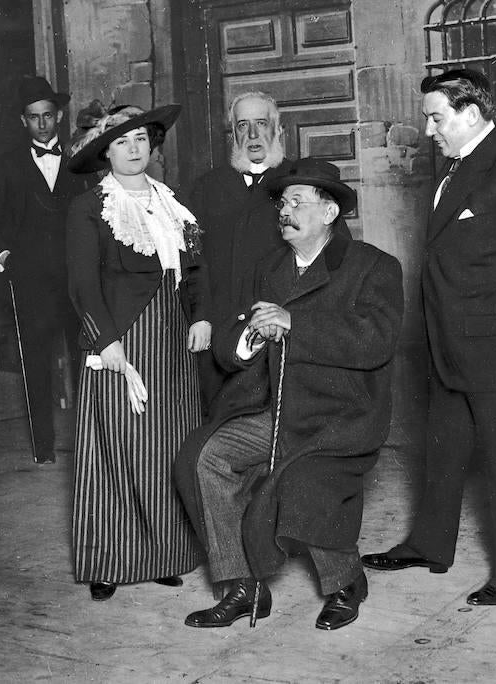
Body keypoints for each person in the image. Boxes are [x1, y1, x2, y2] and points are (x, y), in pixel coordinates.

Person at [362, 68, 496, 607]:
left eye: (436, 117)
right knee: (444, 447)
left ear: (472, 114)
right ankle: (431, 545)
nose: (429, 128)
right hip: (450, 342)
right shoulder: (457, 168)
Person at [175, 158, 403, 631]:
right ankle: (242, 587)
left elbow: (375, 341)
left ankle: (345, 584)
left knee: (305, 478)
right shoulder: (272, 267)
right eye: (282, 201)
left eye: (298, 202)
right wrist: (252, 338)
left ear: (330, 212)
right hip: (277, 409)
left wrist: (294, 324)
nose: (286, 210)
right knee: (206, 457)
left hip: (340, 416)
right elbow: (238, 339)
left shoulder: (373, 266)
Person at [66, 103, 212, 601]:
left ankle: (163, 553)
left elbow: (195, 271)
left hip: (171, 338)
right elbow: (83, 283)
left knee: (166, 448)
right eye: (122, 142)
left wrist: (204, 316)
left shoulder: (172, 202)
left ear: (153, 147)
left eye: (141, 141)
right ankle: (110, 560)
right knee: (115, 447)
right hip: (121, 340)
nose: (134, 150)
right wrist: (104, 341)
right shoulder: (91, 206)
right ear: (105, 151)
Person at [190, 91, 350, 413]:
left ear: (278, 131)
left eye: (261, 123)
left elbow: (335, 255)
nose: (252, 135)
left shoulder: (302, 183)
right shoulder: (207, 187)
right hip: (222, 329)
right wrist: (202, 315)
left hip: (279, 326)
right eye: (242, 125)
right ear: (232, 134)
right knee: (218, 420)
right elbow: (195, 259)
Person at [0, 75, 94, 464]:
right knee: (36, 361)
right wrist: (3, 254)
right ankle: (43, 448)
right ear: (23, 121)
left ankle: (89, 443)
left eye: (48, 115)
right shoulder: (7, 165)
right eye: (34, 117)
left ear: (58, 116)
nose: (42, 124)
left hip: (75, 276)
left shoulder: (80, 161)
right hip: (31, 278)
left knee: (86, 359)